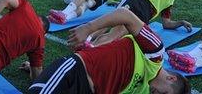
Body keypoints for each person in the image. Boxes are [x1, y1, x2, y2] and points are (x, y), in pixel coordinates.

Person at [29, 7, 191, 94]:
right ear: (171, 79)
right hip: (75, 72)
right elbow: (125, 15)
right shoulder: (155, 54)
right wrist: (88, 28)